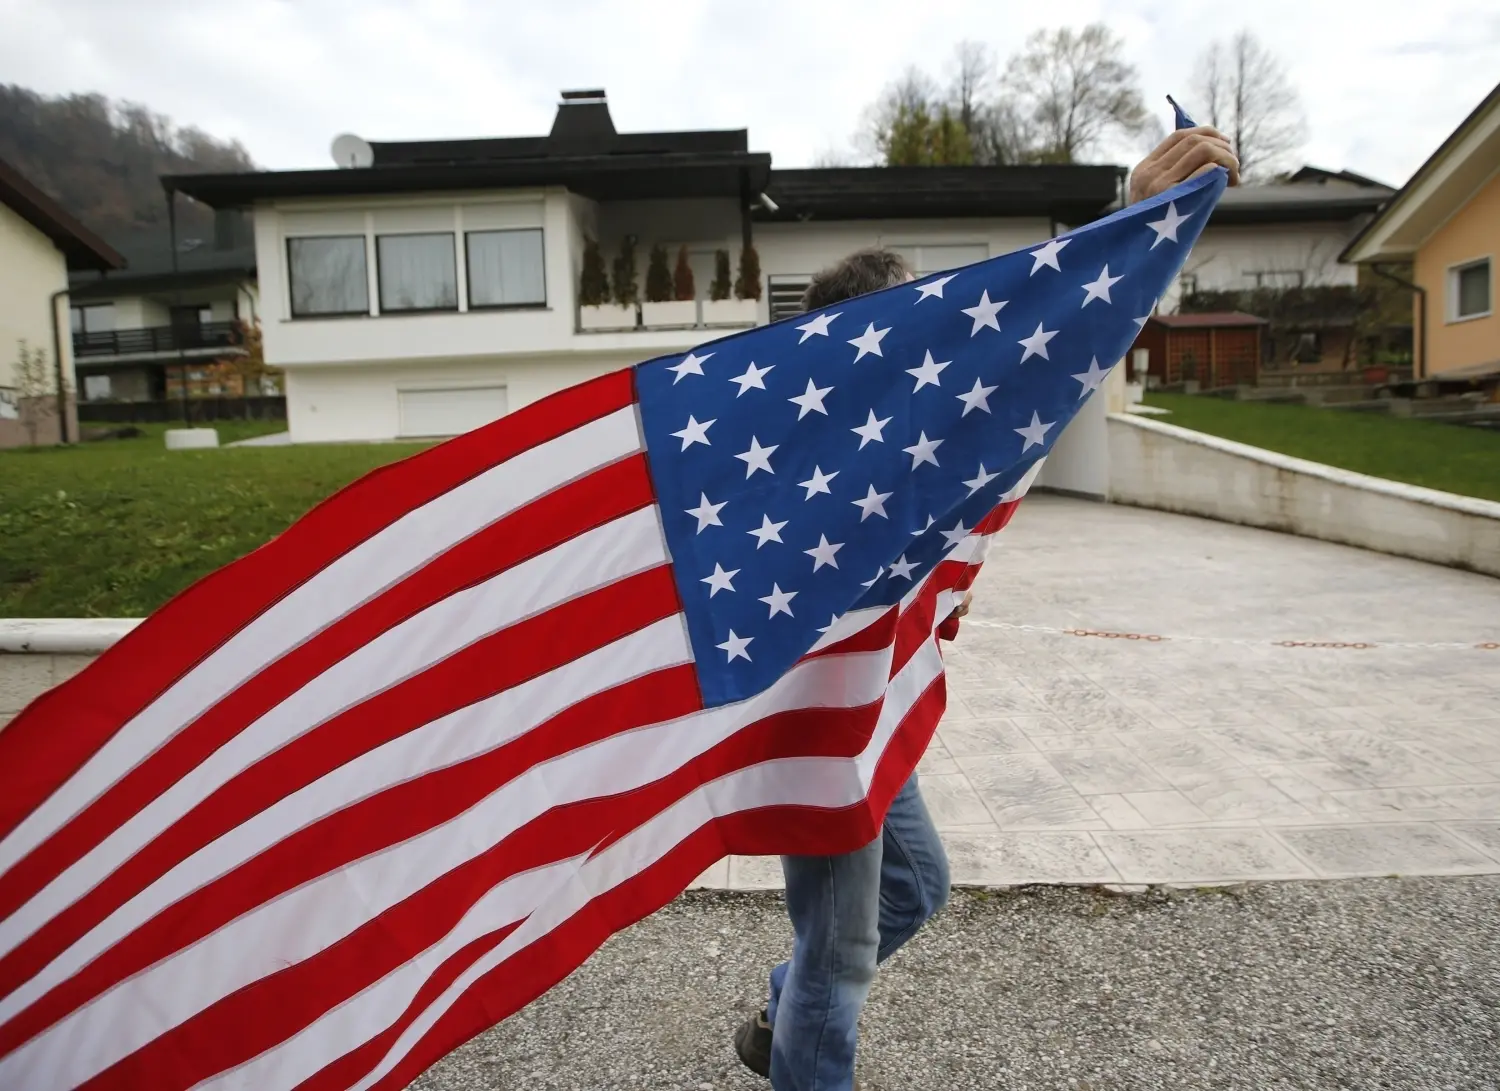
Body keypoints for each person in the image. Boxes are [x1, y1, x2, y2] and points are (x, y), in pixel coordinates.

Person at [732, 124, 1240, 1091]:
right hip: (824, 724)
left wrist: (1139, 225)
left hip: (875, 713)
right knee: (838, 958)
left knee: (918, 888)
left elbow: (1036, 354)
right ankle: (803, 1039)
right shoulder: (822, 455)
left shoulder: (923, 439)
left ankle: (778, 1015)